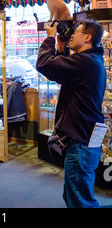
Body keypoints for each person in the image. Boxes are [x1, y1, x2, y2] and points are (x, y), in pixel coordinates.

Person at [36, 19, 106, 208]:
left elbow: (44, 64)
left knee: (80, 201)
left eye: (77, 32)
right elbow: (60, 75)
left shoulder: (85, 61)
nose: (72, 34)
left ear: (88, 37)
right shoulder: (90, 60)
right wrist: (61, 47)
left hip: (80, 143)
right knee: (74, 195)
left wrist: (50, 38)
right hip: (84, 140)